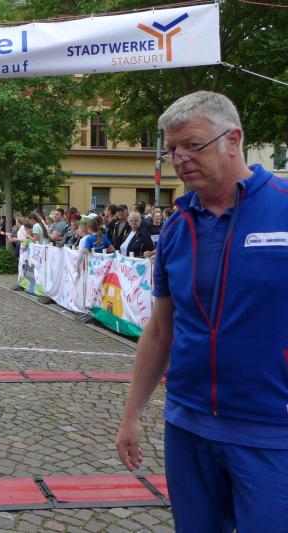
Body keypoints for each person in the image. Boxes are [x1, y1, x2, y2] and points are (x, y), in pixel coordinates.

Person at [116, 91, 288, 532]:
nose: (180, 159)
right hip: (188, 426)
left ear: (234, 140)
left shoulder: (283, 207)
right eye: (172, 149)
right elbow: (161, 330)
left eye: (193, 145)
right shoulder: (177, 226)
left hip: (271, 430)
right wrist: (132, 414)